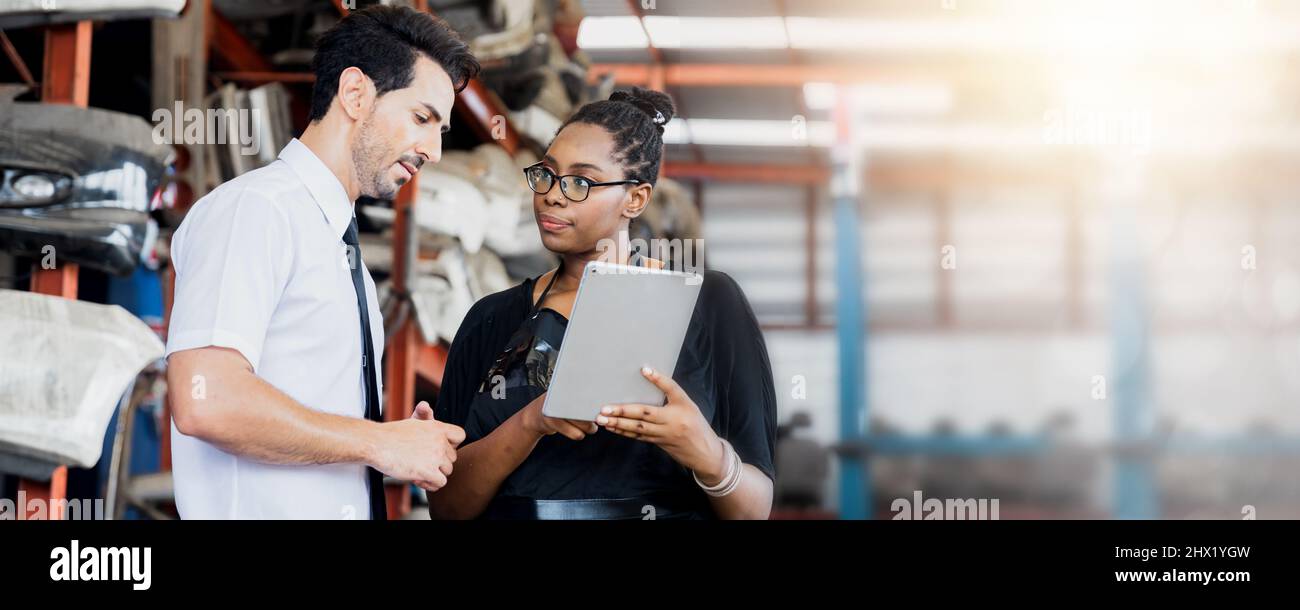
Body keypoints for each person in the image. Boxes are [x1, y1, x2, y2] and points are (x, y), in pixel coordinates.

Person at [164, 5, 477, 519]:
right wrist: (378, 443)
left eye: (440, 128)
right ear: (355, 93)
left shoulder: (334, 241)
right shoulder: (258, 210)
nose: (434, 150)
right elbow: (206, 399)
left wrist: (395, 440)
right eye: (422, 118)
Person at [428, 87, 777, 520]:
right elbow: (446, 508)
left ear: (635, 199)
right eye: (547, 174)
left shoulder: (709, 304)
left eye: (580, 182)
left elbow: (755, 510)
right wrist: (531, 421)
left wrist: (707, 452)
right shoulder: (491, 319)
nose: (553, 195)